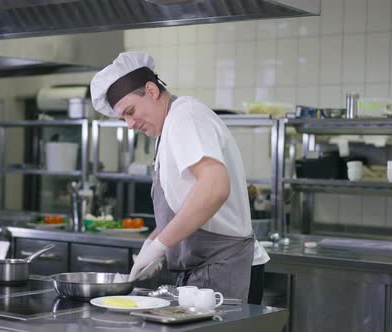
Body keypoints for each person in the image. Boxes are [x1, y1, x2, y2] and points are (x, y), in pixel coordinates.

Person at [90, 52, 269, 302]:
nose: (130, 124)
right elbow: (185, 202)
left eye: (130, 111)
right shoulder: (166, 130)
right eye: (123, 118)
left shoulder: (186, 116)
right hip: (204, 272)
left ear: (151, 91)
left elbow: (215, 186)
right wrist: (152, 242)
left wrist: (160, 245)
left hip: (225, 269)